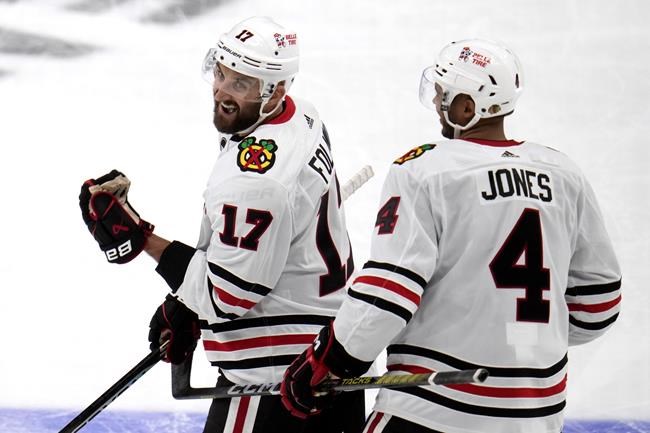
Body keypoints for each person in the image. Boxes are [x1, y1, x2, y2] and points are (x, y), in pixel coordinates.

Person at [280, 39, 622, 433]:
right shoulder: (563, 173)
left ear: (466, 107)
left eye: (443, 93)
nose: (436, 100)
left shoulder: (425, 171)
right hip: (537, 415)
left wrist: (328, 358)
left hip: (434, 407)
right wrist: (520, 345)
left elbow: (389, 292)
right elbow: (597, 305)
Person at [79, 16, 365, 433]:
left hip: (274, 379)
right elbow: (276, 241)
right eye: (221, 73)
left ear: (276, 90)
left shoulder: (255, 179)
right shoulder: (302, 116)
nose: (221, 91)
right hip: (329, 357)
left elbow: (228, 296)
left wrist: (144, 240)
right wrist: (187, 302)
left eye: (241, 84)